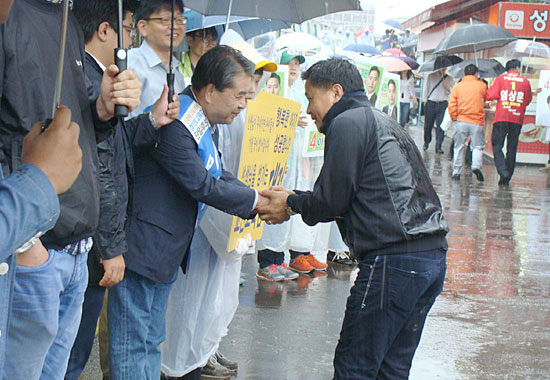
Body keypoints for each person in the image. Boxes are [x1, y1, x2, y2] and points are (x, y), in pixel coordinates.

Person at [257, 58, 448, 379]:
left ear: (335, 92)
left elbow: (330, 201)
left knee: (354, 367)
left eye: (310, 97)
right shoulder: (381, 120)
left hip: (394, 262)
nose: (308, 108)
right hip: (430, 260)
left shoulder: (346, 122)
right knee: (391, 369)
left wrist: (290, 202)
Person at [0, 0, 142, 378]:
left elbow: (74, 130)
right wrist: (27, 245)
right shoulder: (10, 17)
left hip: (76, 251)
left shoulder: (65, 20)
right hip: (28, 252)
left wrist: (102, 110)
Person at [108, 45, 267, 380]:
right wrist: (258, 203)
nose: (243, 104)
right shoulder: (177, 120)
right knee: (132, 345)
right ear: (210, 91)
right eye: (239, 96)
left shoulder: (197, 117)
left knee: (152, 341)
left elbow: (216, 173)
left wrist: (257, 195)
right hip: (143, 250)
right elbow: (202, 185)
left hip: (164, 252)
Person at [65, 1, 181, 379]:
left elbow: (114, 142)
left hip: (90, 242)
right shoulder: (85, 79)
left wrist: (151, 120)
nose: (129, 38)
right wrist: (111, 247)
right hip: (88, 243)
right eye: (128, 29)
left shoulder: (95, 76)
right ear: (104, 31)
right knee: (69, 354)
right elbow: (102, 171)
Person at [256, 49, 329, 281]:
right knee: (271, 204)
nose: (294, 67)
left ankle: (284, 258)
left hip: (296, 164)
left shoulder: (299, 94)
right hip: (275, 162)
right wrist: (287, 120)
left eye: (297, 63)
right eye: (289, 63)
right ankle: (268, 261)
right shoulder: (270, 91)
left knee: (287, 209)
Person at [128, 0, 187, 118]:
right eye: (165, 20)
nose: (175, 26)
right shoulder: (131, 64)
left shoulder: (176, 70)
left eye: (180, 20)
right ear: (143, 27)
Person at [486, 59, 533, 185]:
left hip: (501, 117)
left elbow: (489, 95)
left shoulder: (501, 79)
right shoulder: (525, 81)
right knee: (512, 148)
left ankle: (502, 170)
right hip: (517, 119)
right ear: (517, 68)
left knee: (497, 145)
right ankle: (507, 176)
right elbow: (528, 100)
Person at [447, 64, 488, 182]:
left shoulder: (457, 87)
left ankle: (456, 171)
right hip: (477, 121)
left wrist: (455, 117)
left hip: (461, 120)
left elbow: (452, 105)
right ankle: (476, 166)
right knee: (477, 146)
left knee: (459, 146)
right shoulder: (482, 85)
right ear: (476, 73)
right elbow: (485, 98)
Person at [422, 67, 454, 154]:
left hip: (442, 104)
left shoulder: (449, 78)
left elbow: (453, 91)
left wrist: (447, 87)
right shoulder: (431, 76)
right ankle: (427, 141)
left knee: (441, 127)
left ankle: (438, 146)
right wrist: (424, 100)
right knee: (428, 125)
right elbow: (426, 89)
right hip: (431, 103)